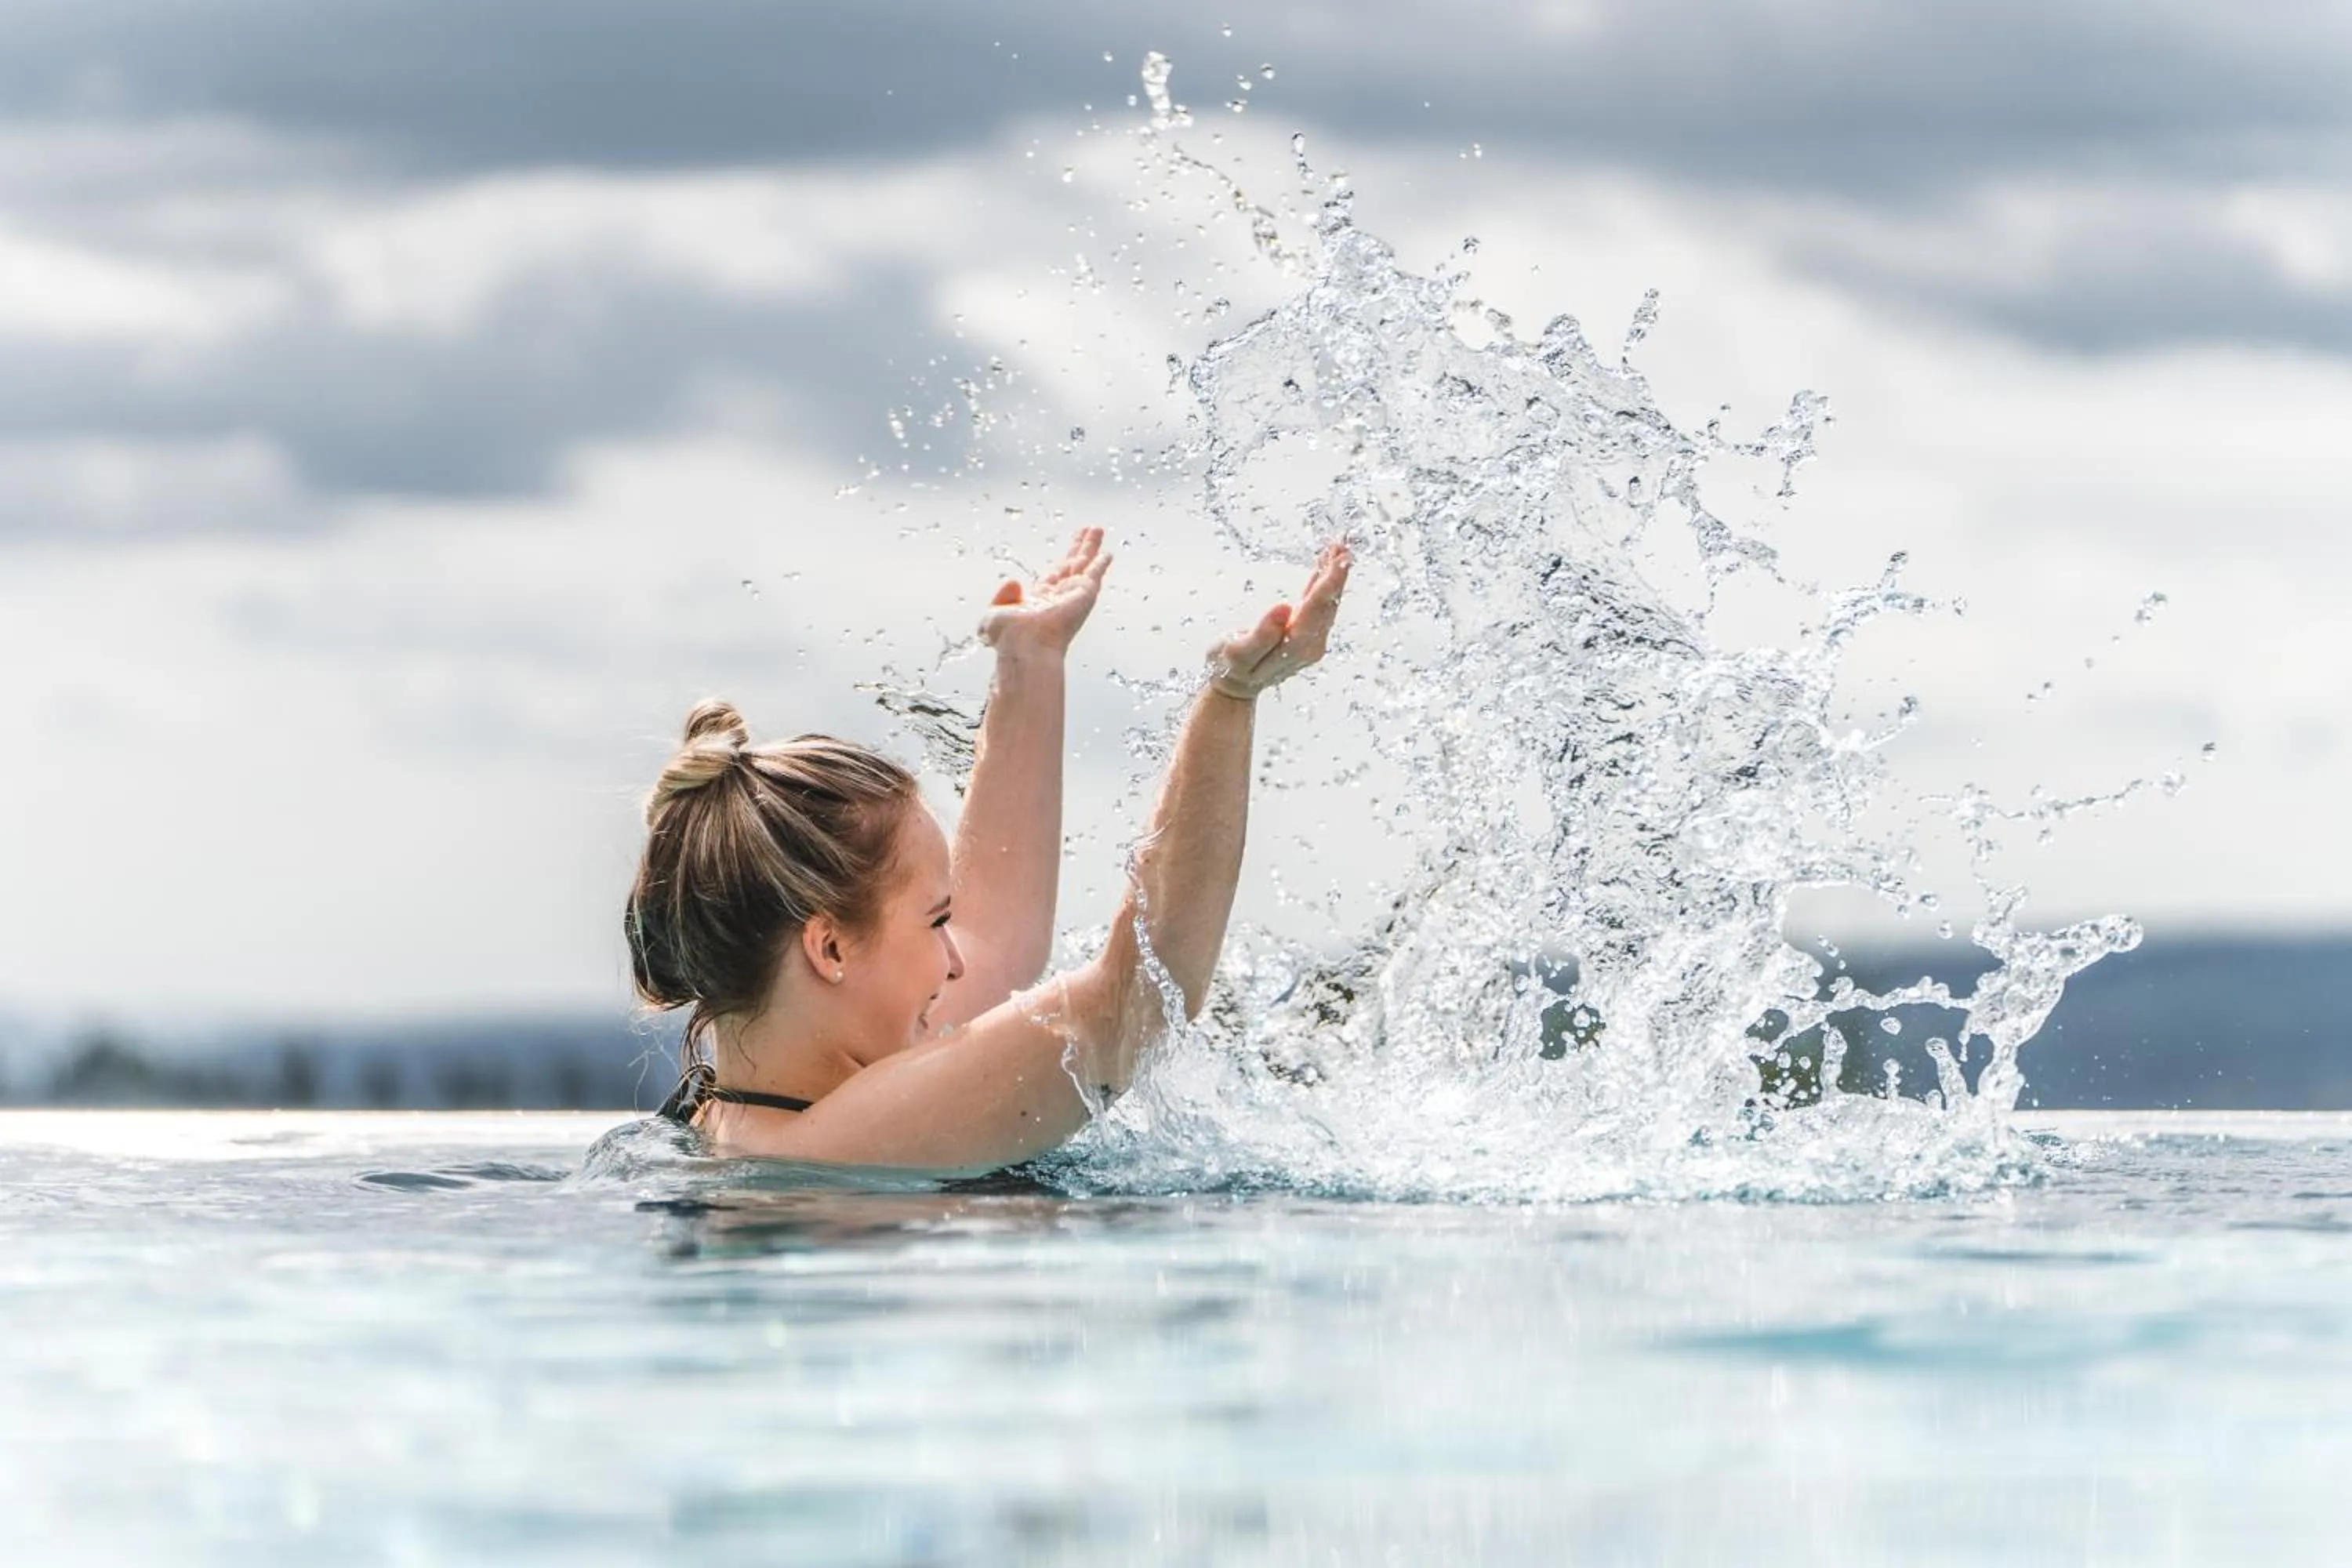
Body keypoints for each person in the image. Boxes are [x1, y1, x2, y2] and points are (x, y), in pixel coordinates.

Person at [627, 528, 1351, 1171]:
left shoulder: (745, 1112)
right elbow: (1137, 1004)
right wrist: (1230, 699)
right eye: (935, 922)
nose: (956, 959)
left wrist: (1031, 661)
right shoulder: (845, 1143)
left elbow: (998, 933)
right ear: (831, 951)